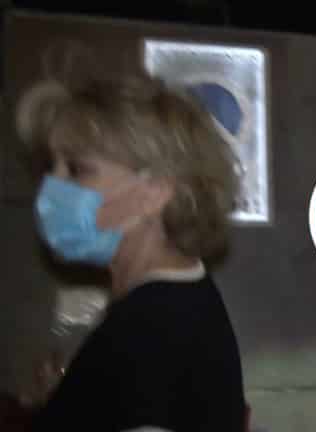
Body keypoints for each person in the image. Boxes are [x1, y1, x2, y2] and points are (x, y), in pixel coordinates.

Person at [15, 70, 247, 431]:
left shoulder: (152, 331)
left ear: (155, 191)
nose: (51, 185)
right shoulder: (180, 301)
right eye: (51, 166)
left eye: (76, 169)